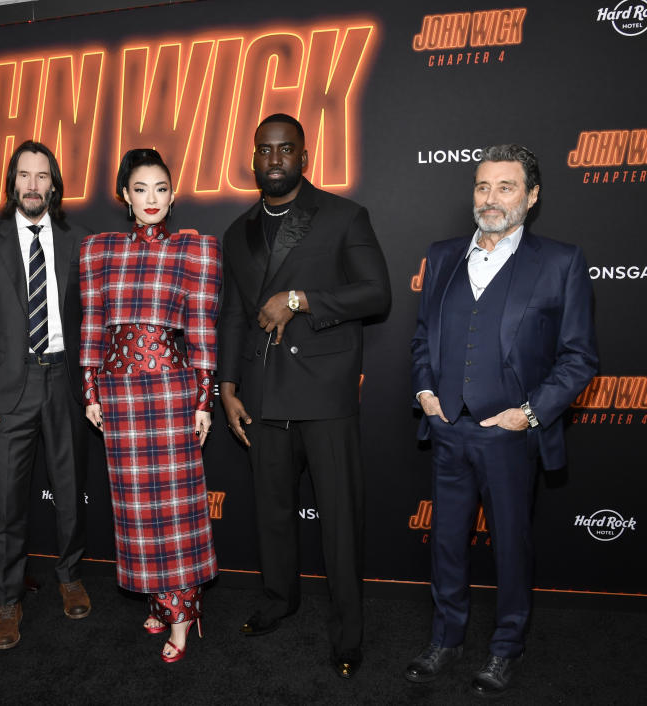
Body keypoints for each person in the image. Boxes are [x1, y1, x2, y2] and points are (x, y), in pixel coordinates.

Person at [407, 144, 597, 697]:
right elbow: (423, 338)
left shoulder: (560, 262)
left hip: (511, 436)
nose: (491, 199)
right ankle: (446, 637)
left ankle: (505, 647)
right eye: (483, 187)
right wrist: (424, 390)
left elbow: (580, 356)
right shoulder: (443, 255)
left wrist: (530, 414)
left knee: (512, 544)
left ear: (532, 197)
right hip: (447, 429)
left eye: (506, 187)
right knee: (445, 541)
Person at [217, 113, 390, 679]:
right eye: (264, 151)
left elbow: (375, 293)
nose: (274, 160)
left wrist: (299, 299)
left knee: (339, 522)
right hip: (263, 397)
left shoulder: (343, 216)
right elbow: (237, 319)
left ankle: (347, 633)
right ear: (253, 159)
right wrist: (228, 387)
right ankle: (278, 599)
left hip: (324, 395)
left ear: (304, 156)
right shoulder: (238, 233)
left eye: (285, 150)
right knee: (272, 515)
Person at [80, 148, 220, 663]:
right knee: (137, 510)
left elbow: (203, 329)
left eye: (161, 187)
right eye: (141, 188)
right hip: (119, 396)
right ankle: (160, 601)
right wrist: (91, 390)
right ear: (124, 195)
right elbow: (93, 323)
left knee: (177, 510)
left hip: (172, 392)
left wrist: (204, 400)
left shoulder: (196, 249)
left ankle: (183, 612)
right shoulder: (98, 250)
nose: (152, 199)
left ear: (173, 192)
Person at [0, 141, 92, 650]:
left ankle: (70, 576)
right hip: (9, 389)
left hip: (64, 382)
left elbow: (91, 320)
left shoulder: (78, 241)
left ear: (54, 185)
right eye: (24, 175)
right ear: (12, 182)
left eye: (42, 176)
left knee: (69, 492)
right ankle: (7, 601)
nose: (33, 185)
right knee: (9, 505)